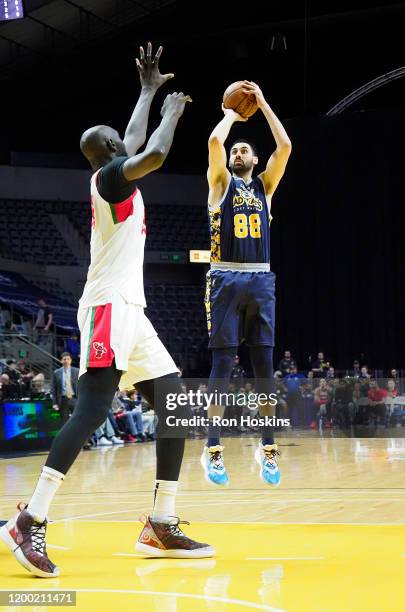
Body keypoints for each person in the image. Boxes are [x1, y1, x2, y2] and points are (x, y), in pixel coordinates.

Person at [1, 43, 213, 579]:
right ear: (114, 152)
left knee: (175, 407)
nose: (128, 139)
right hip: (105, 307)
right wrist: (170, 112)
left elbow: (137, 142)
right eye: (121, 140)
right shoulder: (112, 179)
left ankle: (160, 523)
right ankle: (30, 519)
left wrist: (146, 90)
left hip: (130, 310)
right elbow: (156, 152)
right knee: (92, 410)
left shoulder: (113, 171)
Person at [201, 81, 291, 486]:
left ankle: (267, 447)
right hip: (224, 276)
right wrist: (232, 115)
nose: (237, 151)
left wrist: (265, 103)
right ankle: (213, 449)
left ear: (255, 159)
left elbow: (285, 147)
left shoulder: (265, 188)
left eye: (244, 149)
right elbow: (214, 142)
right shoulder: (219, 185)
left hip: (260, 279)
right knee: (222, 365)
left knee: (264, 370)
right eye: (235, 150)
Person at [51, 352, 79, 424]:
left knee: (77, 420)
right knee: (64, 422)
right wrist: (54, 403)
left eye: (68, 359)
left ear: (71, 360)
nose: (66, 361)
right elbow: (54, 389)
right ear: (61, 361)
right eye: (64, 359)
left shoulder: (77, 371)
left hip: (74, 398)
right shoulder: (56, 373)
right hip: (63, 400)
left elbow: (82, 386)